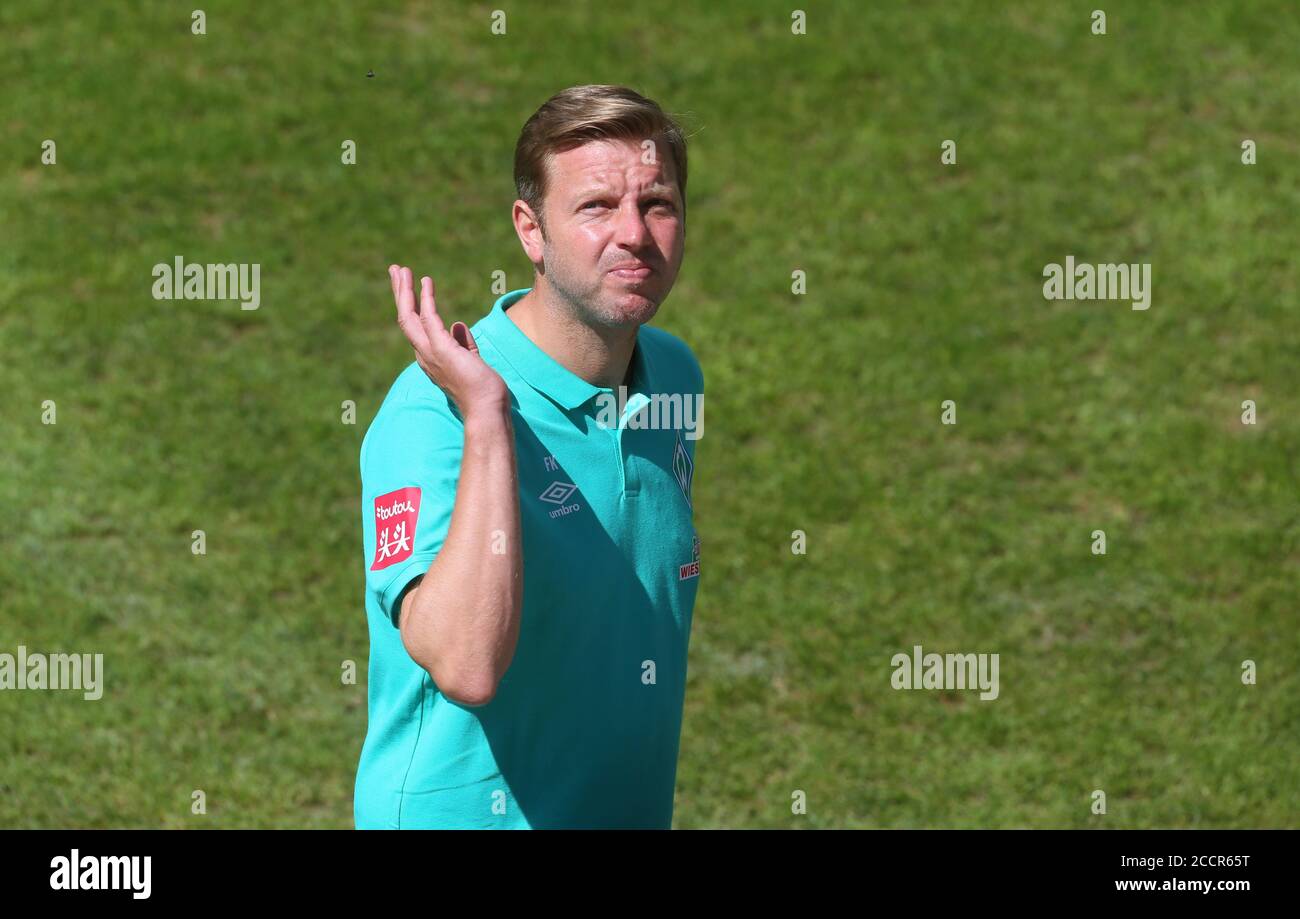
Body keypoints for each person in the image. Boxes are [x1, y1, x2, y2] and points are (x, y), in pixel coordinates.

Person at [354, 85, 704, 829]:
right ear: (530, 230)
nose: (634, 234)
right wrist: (488, 419)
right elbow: (467, 665)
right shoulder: (431, 415)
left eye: (659, 204)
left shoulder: (674, 377)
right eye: (596, 207)